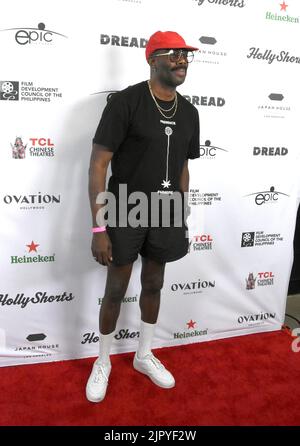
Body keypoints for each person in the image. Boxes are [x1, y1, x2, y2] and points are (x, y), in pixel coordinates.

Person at [86, 31, 200, 403]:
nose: (181, 60)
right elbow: (99, 163)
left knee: (154, 284)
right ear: (152, 59)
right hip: (124, 206)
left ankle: (143, 354)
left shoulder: (191, 112)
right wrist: (99, 226)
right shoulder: (126, 102)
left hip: (167, 211)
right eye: (172, 54)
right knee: (116, 288)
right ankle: (102, 360)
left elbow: (183, 165)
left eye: (185, 55)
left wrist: (180, 211)